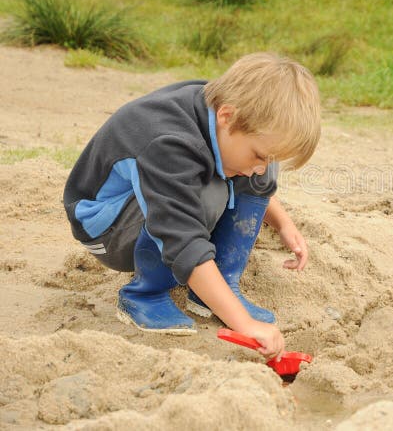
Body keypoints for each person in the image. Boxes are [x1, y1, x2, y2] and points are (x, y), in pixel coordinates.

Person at [62, 52, 321, 360]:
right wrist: (245, 325)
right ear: (227, 116)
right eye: (259, 154)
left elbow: (254, 167)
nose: (261, 167)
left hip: (155, 205)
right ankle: (145, 294)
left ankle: (216, 287)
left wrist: (282, 223)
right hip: (107, 229)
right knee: (204, 192)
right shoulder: (169, 142)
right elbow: (179, 233)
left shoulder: (224, 114)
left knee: (254, 167)